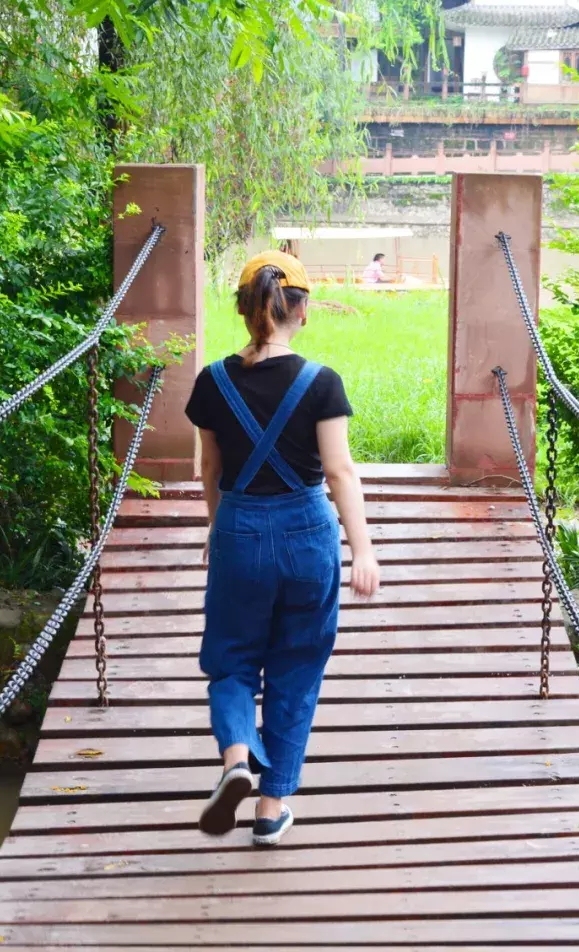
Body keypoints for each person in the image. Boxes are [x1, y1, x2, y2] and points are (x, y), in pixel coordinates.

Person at [184, 250, 380, 848]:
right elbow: (339, 471)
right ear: (299, 309)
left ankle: (236, 760)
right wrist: (364, 550)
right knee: (296, 667)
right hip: (306, 535)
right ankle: (270, 810)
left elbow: (210, 470)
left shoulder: (212, 382)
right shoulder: (322, 382)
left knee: (232, 661)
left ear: (245, 310)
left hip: (240, 529)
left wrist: (220, 534)